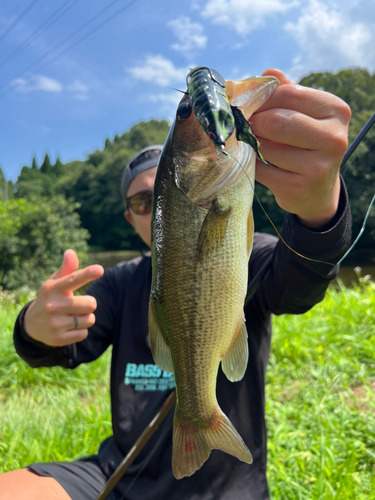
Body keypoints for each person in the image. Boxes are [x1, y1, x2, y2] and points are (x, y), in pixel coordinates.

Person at [1, 68, 352, 500]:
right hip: (119, 474)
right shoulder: (117, 285)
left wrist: (319, 209)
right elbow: (60, 350)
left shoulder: (255, 254)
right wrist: (32, 328)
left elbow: (301, 281)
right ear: (130, 218)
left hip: (228, 488)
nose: (151, 209)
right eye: (141, 202)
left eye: (158, 195)